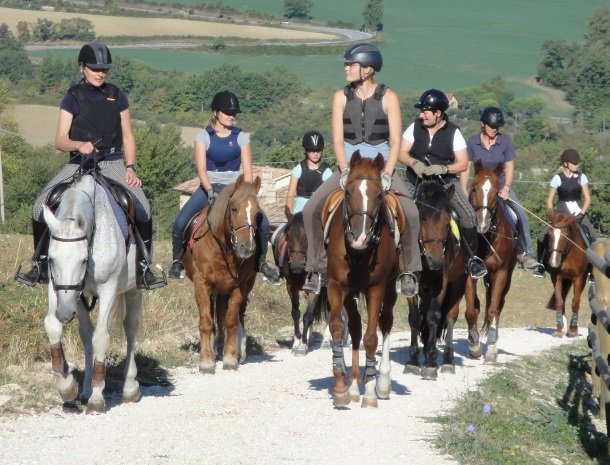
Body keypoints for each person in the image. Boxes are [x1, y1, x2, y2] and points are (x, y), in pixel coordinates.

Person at [15, 41, 166, 290]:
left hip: (112, 163)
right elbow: (59, 140)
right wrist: (78, 144)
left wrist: (130, 167)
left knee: (143, 207)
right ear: (83, 67)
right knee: (39, 206)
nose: (100, 73)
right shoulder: (72, 97)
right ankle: (39, 265)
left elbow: (128, 136)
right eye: (95, 68)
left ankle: (144, 268)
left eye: (104, 69)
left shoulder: (117, 95)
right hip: (79, 163)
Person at [302, 43, 421, 296]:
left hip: (381, 167)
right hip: (349, 167)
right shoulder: (340, 97)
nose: (346, 68)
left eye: (350, 64)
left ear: (367, 69)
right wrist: (344, 170)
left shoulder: (389, 97)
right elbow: (336, 139)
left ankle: (409, 270)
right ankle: (316, 268)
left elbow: (396, 140)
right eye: (346, 64)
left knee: (410, 212)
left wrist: (388, 173)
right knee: (311, 208)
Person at [166, 90, 280, 284]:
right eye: (228, 112)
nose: (232, 116)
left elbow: (248, 170)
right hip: (208, 185)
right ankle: (177, 262)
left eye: (234, 113)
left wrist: (248, 192)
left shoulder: (241, 137)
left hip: (235, 188)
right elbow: (201, 169)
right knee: (180, 222)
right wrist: (210, 190)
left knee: (263, 223)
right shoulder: (204, 136)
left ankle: (261, 263)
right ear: (216, 112)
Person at [399, 88, 487, 279]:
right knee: (398, 211)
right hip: (415, 182)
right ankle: (400, 261)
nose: (421, 114)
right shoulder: (414, 127)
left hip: (444, 185)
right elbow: (401, 153)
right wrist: (414, 163)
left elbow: (463, 163)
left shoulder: (453, 132)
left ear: (438, 114)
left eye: (425, 111)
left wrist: (444, 169)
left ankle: (471, 260)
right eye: (421, 111)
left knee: (469, 216)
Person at [463, 106, 539, 270]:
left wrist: (506, 188)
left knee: (521, 215)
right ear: (483, 124)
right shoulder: (472, 142)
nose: (494, 130)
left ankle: (525, 253)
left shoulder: (505, 142)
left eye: (497, 127)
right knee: (460, 213)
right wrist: (463, 188)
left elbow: (509, 167)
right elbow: (466, 167)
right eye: (491, 126)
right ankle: (460, 251)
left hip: (500, 187)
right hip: (478, 189)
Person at [534, 148, 600, 277]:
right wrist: (551, 214)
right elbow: (549, 200)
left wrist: (582, 213)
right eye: (573, 163)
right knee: (542, 236)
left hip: (578, 210)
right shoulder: (557, 178)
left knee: (593, 237)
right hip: (561, 213)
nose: (576, 165)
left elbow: (587, 198)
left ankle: (592, 270)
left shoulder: (582, 177)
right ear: (565, 164)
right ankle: (541, 264)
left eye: (577, 163)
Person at [284, 130, 332, 218]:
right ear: (306, 151)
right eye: (312, 151)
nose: (316, 154)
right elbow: (290, 195)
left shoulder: (327, 172)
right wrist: (289, 216)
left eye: (318, 151)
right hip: (299, 214)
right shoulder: (297, 170)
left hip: (319, 214)